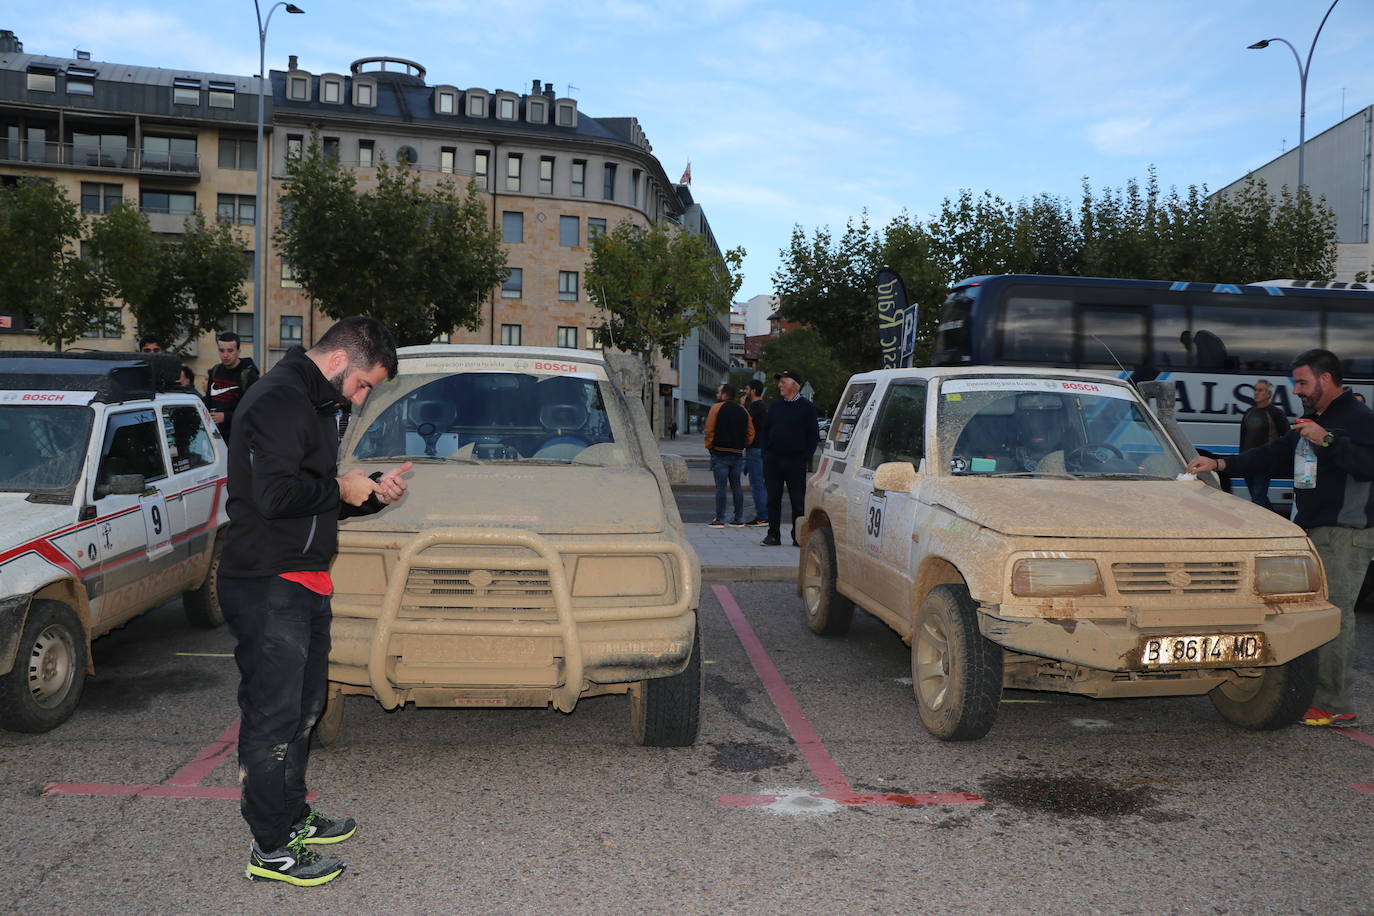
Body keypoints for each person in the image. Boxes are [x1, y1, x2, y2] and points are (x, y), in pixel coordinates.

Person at [218, 316, 411, 886]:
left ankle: (292, 815)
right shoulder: (277, 399)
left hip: (303, 579)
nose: (364, 395)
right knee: (273, 717)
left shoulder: (314, 404)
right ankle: (270, 849)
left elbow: (313, 498)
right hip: (267, 581)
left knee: (304, 710)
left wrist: (370, 494)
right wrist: (340, 487)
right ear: (340, 361)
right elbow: (274, 496)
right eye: (364, 384)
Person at [1186, 349, 1374, 729]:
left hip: (1345, 535)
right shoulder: (1317, 418)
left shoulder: (1358, 419)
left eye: (1303, 382)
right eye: (1295, 382)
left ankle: (1336, 705)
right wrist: (1220, 464)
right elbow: (1272, 455)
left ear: (1325, 379)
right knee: (1314, 617)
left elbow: (1368, 467)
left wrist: (1327, 441)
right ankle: (1317, 698)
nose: (1297, 389)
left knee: (1335, 619)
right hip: (1314, 532)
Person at [761, 370, 818, 547]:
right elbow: (765, 431)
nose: (780, 385)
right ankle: (773, 535)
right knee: (772, 499)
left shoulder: (807, 407)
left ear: (794, 385)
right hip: (773, 461)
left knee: (798, 501)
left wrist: (805, 458)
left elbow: (813, 435)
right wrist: (766, 453)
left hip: (795, 461)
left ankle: (798, 535)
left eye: (783, 382)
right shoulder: (775, 406)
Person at [703, 382, 753, 528]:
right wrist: (743, 445)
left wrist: (710, 446)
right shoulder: (743, 411)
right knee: (736, 486)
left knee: (721, 487)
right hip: (737, 454)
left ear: (724, 394)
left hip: (720, 453)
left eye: (719, 392)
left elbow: (709, 430)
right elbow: (751, 433)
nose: (717, 395)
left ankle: (720, 519)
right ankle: (738, 518)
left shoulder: (716, 408)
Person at [1237, 379, 1288, 509]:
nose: (1256, 393)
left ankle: (1260, 527)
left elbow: (1287, 436)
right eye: (1255, 390)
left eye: (1260, 390)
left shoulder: (1276, 413)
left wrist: (1279, 457)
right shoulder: (1249, 412)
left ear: (1269, 394)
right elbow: (1243, 437)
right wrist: (1240, 458)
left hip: (1264, 461)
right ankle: (1275, 522)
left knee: (1257, 498)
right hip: (1247, 461)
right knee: (1258, 497)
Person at [206, 331, 259, 442]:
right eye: (221, 350)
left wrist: (226, 417)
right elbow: (208, 402)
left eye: (230, 351)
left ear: (238, 351)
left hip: (239, 439)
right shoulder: (215, 371)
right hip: (214, 436)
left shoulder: (249, 376)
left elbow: (255, 411)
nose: (225, 355)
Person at [742, 378, 769, 526]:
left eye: (747, 389)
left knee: (757, 483)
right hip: (760, 448)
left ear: (753, 390)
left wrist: (741, 406)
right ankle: (763, 514)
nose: (745, 392)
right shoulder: (762, 406)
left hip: (755, 449)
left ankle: (762, 516)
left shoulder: (755, 407)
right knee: (760, 483)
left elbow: (744, 422)